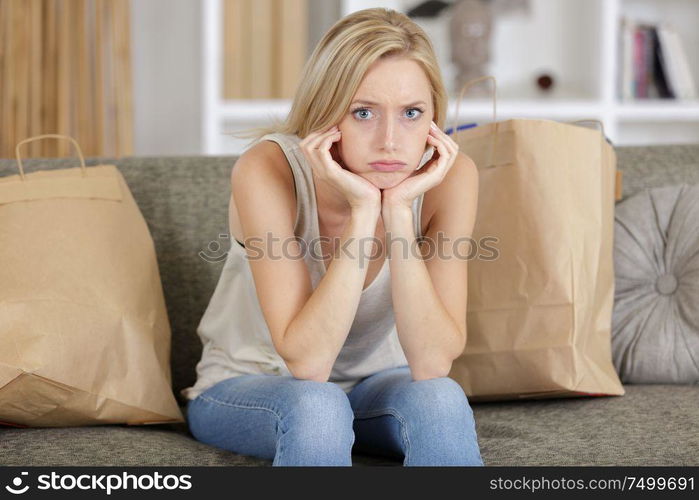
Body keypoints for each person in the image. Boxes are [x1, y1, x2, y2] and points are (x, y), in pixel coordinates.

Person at [182, 7, 482, 466]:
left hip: (374, 392)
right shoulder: (267, 169)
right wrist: (365, 212)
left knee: (440, 398)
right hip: (250, 387)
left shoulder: (452, 177)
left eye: (411, 113)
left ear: (434, 121)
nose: (390, 141)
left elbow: (432, 363)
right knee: (318, 406)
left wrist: (399, 212)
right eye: (363, 112)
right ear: (326, 112)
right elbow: (309, 364)